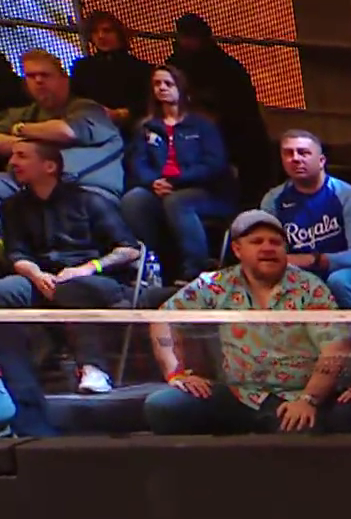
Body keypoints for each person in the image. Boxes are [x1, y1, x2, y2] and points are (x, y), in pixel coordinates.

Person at [145, 210, 351, 435]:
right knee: (162, 407)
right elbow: (163, 318)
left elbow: (336, 349)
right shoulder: (216, 284)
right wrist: (176, 372)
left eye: (275, 242)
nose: (268, 248)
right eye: (257, 242)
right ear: (237, 249)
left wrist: (308, 399)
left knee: (301, 431)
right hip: (239, 394)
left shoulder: (310, 288)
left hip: (294, 397)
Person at [1, 140, 141, 396]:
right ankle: (17, 372)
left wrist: (85, 269)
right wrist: (36, 274)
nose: (13, 163)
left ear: (49, 166)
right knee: (6, 290)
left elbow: (129, 249)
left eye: (22, 156)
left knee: (70, 288)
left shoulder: (88, 200)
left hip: (97, 279)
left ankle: (93, 368)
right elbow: (16, 253)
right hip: (43, 279)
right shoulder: (14, 206)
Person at [121, 65, 233, 282]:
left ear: (180, 88)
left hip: (204, 191)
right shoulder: (147, 127)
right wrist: (154, 182)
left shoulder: (202, 125)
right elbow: (137, 163)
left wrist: (176, 180)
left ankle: (195, 269)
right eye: (157, 84)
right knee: (133, 200)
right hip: (160, 189)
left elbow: (214, 164)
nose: (162, 88)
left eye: (168, 83)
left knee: (177, 202)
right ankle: (153, 263)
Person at [261, 129, 351, 309]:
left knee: (339, 281)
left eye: (303, 152)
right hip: (302, 274)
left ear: (321, 161)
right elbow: (270, 250)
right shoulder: (273, 200)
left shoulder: (348, 196)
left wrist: (316, 260)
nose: (295, 158)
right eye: (288, 153)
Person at [167, 14, 274, 202]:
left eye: (192, 37)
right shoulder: (174, 65)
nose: (188, 42)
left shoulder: (227, 69)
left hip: (233, 137)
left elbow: (241, 110)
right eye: (184, 36)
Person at [0, 50, 125, 203]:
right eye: (31, 76)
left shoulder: (88, 109)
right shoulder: (24, 113)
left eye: (45, 75)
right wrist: (25, 145)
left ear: (64, 79)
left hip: (86, 188)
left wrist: (20, 130)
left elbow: (66, 131)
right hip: (31, 186)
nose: (38, 80)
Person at [70, 11, 151, 129]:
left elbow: (147, 103)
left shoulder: (140, 69)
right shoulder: (82, 68)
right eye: (95, 32)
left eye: (107, 31)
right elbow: (75, 101)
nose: (100, 36)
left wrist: (123, 114)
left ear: (119, 34)